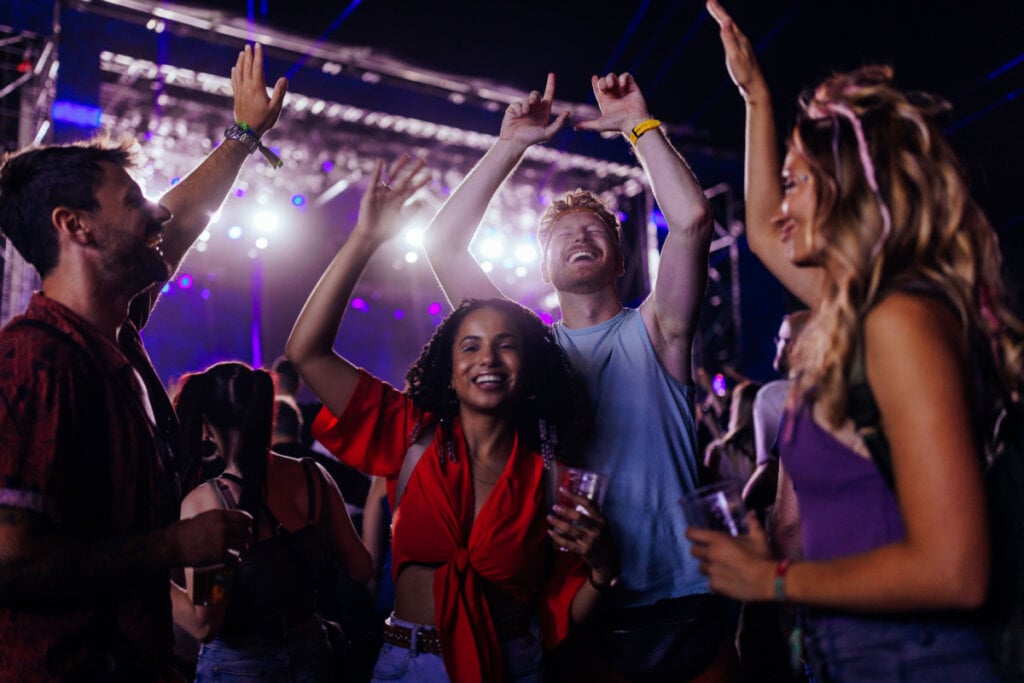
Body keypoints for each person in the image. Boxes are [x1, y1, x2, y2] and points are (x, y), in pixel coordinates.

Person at [689, 2, 1024, 680]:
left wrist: (775, 581)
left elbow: (956, 572)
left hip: (919, 659)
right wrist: (756, 96)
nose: (782, 208)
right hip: (848, 653)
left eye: (796, 184)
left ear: (848, 188)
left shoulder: (899, 319)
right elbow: (760, 230)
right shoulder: (864, 310)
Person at [422, 73, 731, 679]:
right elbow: (443, 247)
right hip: (579, 599)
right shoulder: (530, 350)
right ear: (544, 268)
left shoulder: (657, 330)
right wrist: (510, 145)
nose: (580, 238)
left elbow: (692, 219)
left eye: (595, 232)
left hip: (683, 598)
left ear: (619, 259)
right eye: (564, 235)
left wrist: (639, 127)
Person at [0, 43, 286, 681]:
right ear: (76, 227)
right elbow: (9, 562)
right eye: (133, 201)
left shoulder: (112, 336)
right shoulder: (34, 360)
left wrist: (242, 137)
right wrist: (174, 546)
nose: (156, 210)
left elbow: (174, 228)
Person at [285, 157, 618, 682]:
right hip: (409, 664)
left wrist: (602, 568)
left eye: (505, 346)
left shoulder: (555, 477)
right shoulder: (408, 431)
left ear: (529, 371)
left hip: (514, 664)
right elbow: (306, 351)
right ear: (449, 367)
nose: (487, 358)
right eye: (470, 346)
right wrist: (365, 240)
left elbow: (563, 617)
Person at [170, 361, 372, 682]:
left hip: (240, 665)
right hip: (314, 654)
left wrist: (150, 574)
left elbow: (204, 623)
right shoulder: (314, 476)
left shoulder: (209, 502)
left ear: (206, 426)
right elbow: (361, 568)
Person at [742, 310, 809, 512]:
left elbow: (771, 471)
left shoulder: (772, 396)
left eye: (780, 339)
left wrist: (745, 507)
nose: (777, 345)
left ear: (792, 347)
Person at [704, 379, 761, 484]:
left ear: (736, 409)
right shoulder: (775, 446)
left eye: (732, 403)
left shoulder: (718, 452)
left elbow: (710, 492)